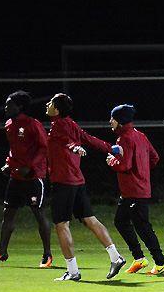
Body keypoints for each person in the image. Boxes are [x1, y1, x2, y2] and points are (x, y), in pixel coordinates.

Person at [45, 93, 125, 281]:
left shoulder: (58, 125)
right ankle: (115, 257)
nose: (47, 104)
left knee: (61, 224)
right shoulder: (71, 123)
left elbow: (67, 141)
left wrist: (75, 148)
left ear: (57, 109)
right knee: (90, 219)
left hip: (63, 181)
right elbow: (88, 139)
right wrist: (111, 148)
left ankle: (73, 271)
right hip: (76, 180)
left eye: (51, 103)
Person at [0, 91, 53, 267]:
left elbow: (44, 147)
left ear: (19, 106)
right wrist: (9, 163)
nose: (6, 107)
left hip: (34, 177)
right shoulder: (9, 124)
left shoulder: (32, 124)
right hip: (16, 177)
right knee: (8, 214)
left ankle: (47, 255)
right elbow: (14, 149)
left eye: (9, 104)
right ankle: (2, 252)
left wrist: (30, 167)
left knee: (38, 213)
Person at [104, 104, 164, 275]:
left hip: (134, 190)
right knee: (123, 222)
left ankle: (160, 263)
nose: (110, 121)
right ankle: (139, 259)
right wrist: (142, 171)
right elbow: (155, 158)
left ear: (120, 120)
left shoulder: (124, 138)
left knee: (141, 226)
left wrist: (112, 162)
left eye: (113, 118)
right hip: (137, 189)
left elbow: (124, 165)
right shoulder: (141, 136)